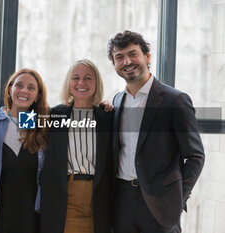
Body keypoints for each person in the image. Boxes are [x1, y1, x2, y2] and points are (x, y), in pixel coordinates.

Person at [107, 30, 205, 233]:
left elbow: (195, 156)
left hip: (160, 203)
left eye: (133, 54)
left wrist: (177, 197)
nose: (127, 61)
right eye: (119, 57)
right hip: (122, 201)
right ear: (115, 64)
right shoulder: (117, 101)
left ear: (147, 56)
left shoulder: (175, 100)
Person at [41, 59, 114, 233]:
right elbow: (20, 122)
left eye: (88, 78)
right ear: (68, 83)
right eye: (76, 78)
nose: (81, 83)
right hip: (63, 199)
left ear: (96, 84)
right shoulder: (55, 115)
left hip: (97, 200)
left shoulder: (108, 118)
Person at [0, 68, 49, 233]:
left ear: (38, 95)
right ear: (10, 89)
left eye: (31, 88)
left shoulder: (40, 128)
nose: (24, 91)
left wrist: (104, 107)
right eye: (19, 85)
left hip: (30, 217)